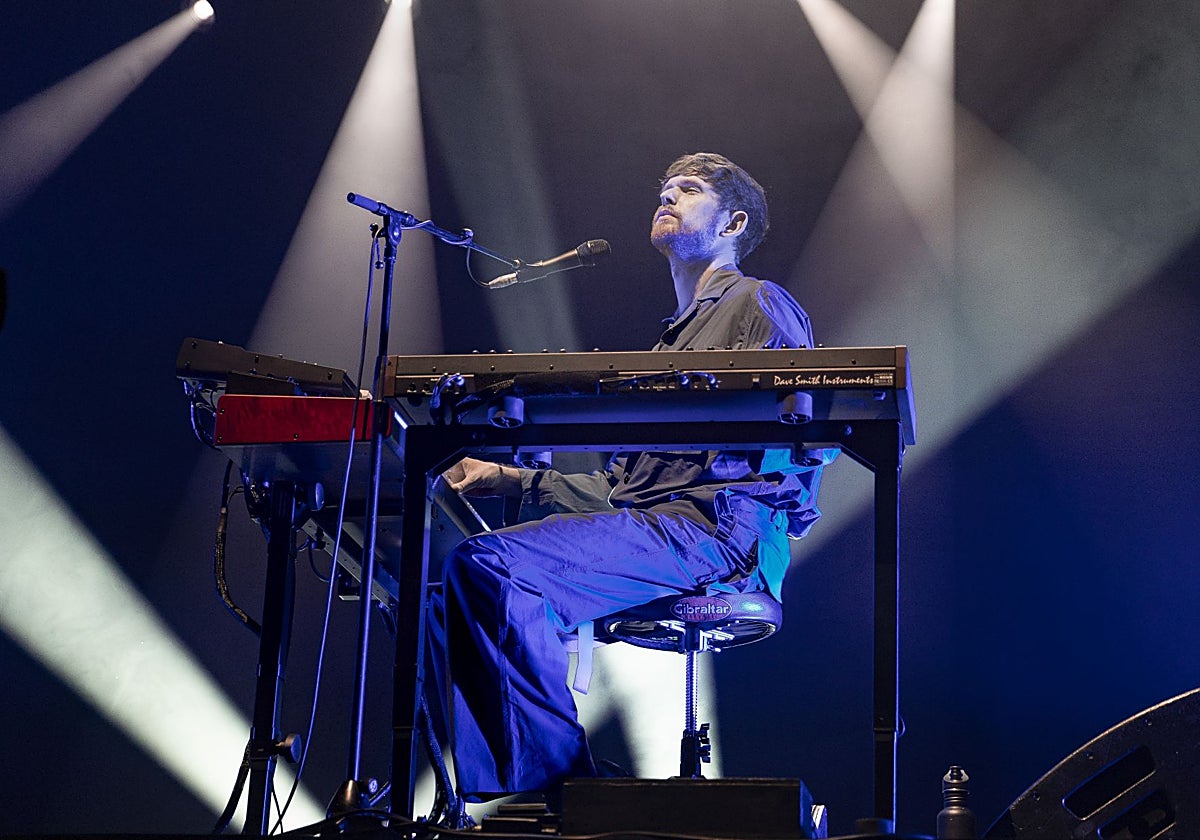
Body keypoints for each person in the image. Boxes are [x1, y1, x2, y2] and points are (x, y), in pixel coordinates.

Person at [431, 152, 836, 802]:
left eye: (690, 189)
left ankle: (559, 792)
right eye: (665, 188)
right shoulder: (665, 350)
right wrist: (507, 478)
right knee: (448, 589)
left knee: (491, 571)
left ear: (734, 223)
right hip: (663, 529)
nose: (668, 194)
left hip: (717, 539)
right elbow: (622, 493)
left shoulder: (760, 303)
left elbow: (797, 440)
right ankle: (518, 794)